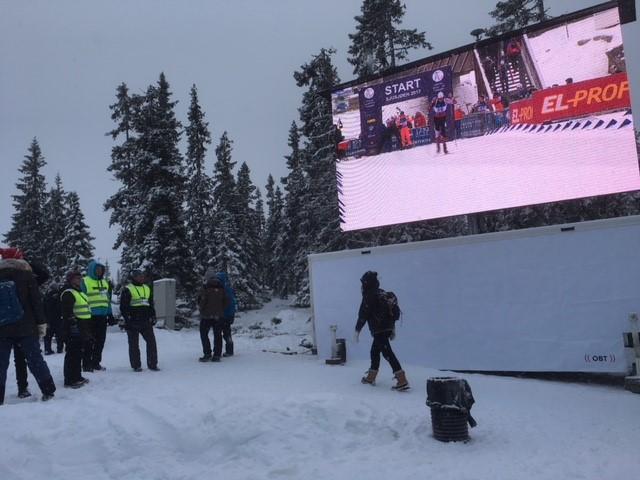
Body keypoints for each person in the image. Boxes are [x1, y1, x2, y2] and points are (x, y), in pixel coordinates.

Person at [0, 250, 56, 404]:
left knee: (1, 362)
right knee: (35, 359)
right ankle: (48, 390)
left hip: (2, 327)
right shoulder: (26, 275)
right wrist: (41, 323)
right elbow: (36, 302)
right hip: (26, 326)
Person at [355, 271, 409, 391]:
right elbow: (392, 314)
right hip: (386, 328)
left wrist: (357, 330)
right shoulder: (382, 293)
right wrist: (392, 329)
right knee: (374, 351)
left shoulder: (369, 295)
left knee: (387, 353)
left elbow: (363, 314)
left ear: (366, 283)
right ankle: (371, 377)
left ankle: (402, 379)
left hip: (379, 330)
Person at [120, 270, 159, 372]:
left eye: (143, 276)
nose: (142, 278)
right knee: (134, 344)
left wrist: (153, 315)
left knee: (151, 342)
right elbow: (123, 307)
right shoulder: (128, 289)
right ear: (134, 277)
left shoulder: (147, 288)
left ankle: (153, 364)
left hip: (145, 320)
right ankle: (136, 365)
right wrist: (127, 320)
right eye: (139, 276)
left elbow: (150, 304)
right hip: (133, 320)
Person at [81, 260, 115, 371]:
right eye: (97, 269)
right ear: (92, 270)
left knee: (100, 341)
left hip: (102, 317)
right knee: (89, 342)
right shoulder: (85, 281)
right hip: (89, 317)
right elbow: (81, 298)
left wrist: (110, 314)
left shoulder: (105, 283)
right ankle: (86, 364)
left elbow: (107, 300)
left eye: (101, 270)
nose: (99, 271)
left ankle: (96, 363)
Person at [60, 271, 91, 388]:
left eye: (80, 278)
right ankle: (69, 379)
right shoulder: (68, 293)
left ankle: (77, 376)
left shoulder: (80, 292)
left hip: (83, 325)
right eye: (76, 278)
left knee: (78, 352)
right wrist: (72, 324)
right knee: (72, 353)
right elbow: (67, 311)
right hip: (73, 326)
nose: (79, 280)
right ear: (70, 280)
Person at [197, 271, 230, 362]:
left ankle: (207, 353)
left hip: (206, 316)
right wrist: (220, 310)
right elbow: (227, 301)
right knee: (218, 335)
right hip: (218, 316)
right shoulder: (221, 288)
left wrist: (201, 308)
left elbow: (202, 302)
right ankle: (217, 355)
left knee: (204, 334)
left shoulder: (206, 288)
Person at [216, 271, 237, 357]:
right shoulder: (230, 289)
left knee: (218, 334)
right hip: (229, 316)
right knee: (227, 333)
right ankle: (230, 350)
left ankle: (218, 351)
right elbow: (233, 303)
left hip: (221, 316)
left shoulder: (221, 290)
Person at [43, 282, 64, 355]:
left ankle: (47, 349)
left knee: (48, 335)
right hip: (58, 318)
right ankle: (60, 348)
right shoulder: (60, 296)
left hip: (49, 319)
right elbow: (61, 307)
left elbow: (44, 308)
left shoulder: (46, 296)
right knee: (59, 335)